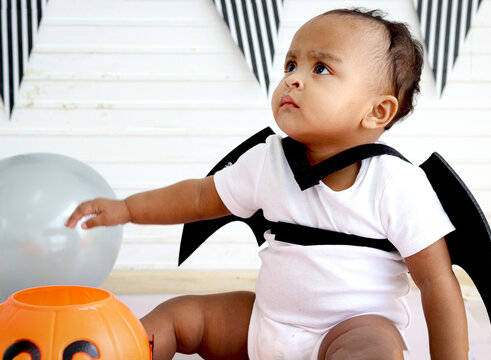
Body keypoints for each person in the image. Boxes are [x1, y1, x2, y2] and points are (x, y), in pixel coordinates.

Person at [65, 8, 469, 360]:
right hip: (265, 325)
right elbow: (200, 196)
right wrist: (128, 209)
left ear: (376, 111)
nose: (293, 79)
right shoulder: (268, 160)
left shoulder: (395, 182)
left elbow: (436, 280)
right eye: (290, 65)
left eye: (321, 69)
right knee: (179, 315)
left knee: (373, 348)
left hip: (349, 332)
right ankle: (122, 351)